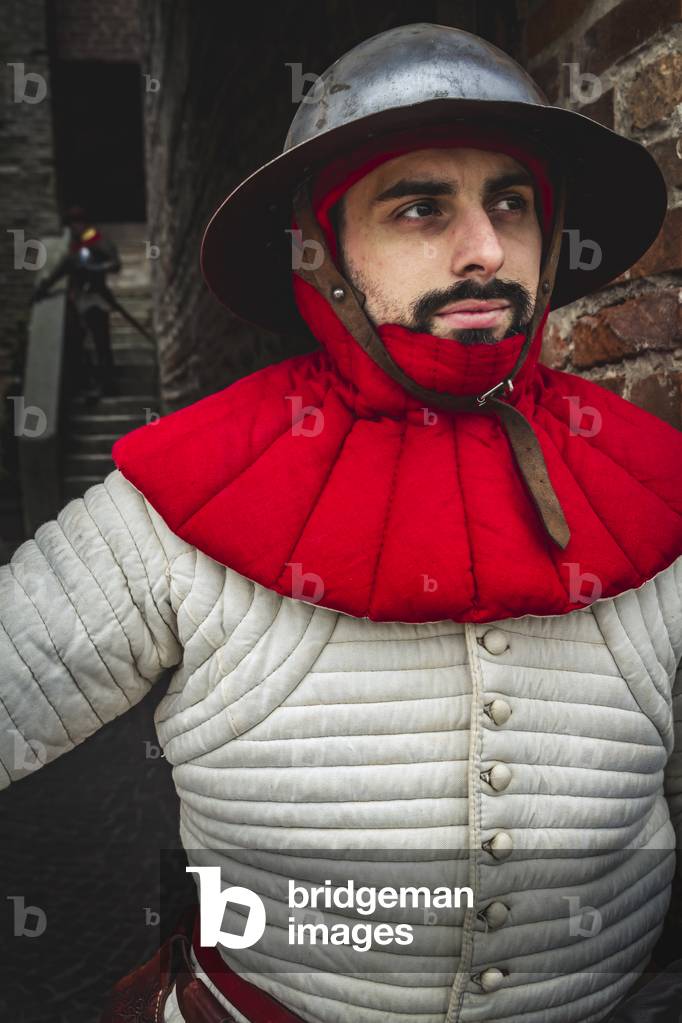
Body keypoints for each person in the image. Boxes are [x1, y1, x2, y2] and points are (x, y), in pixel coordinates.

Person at [2, 23, 682, 1023]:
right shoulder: (182, 499)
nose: (486, 250)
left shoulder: (656, 485)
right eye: (420, 207)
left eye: (511, 202)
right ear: (322, 251)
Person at [34, 204, 121, 400]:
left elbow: (114, 264)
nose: (75, 227)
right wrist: (43, 288)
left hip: (96, 297)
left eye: (78, 223)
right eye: (73, 224)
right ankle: (91, 382)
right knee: (81, 343)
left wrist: (92, 269)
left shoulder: (95, 238)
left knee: (100, 342)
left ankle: (107, 383)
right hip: (81, 300)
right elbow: (63, 268)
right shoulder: (76, 246)